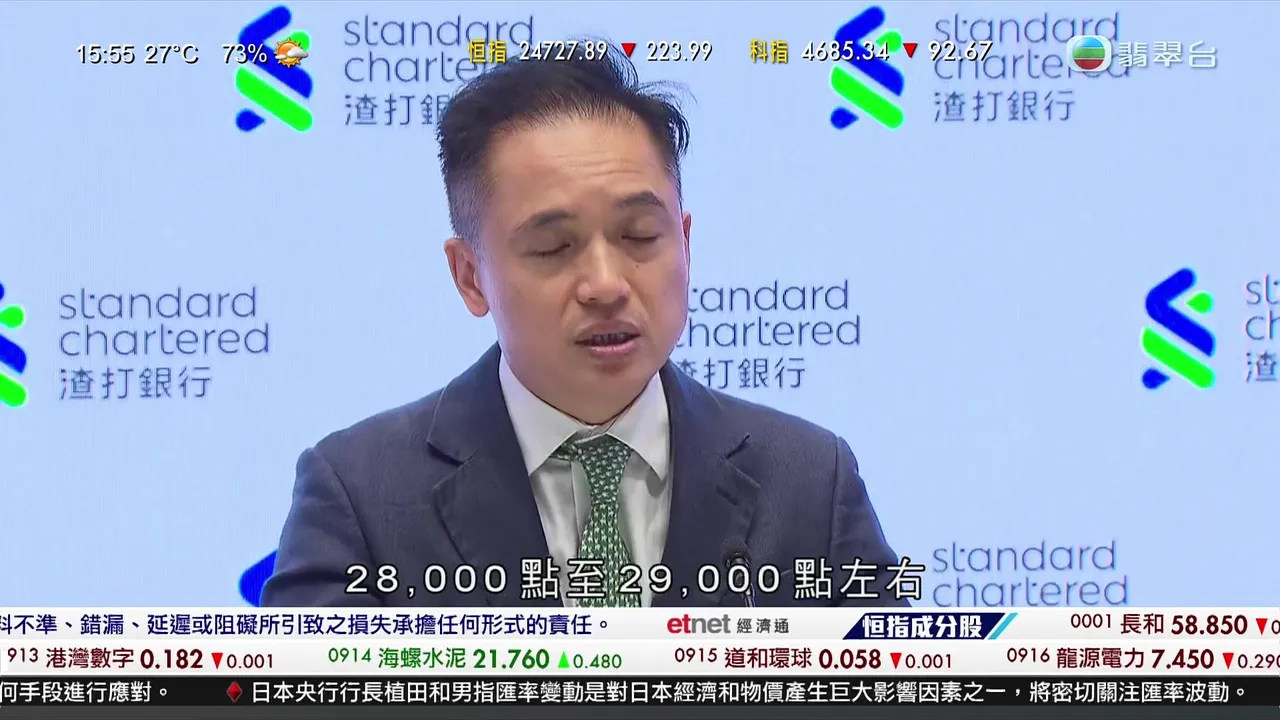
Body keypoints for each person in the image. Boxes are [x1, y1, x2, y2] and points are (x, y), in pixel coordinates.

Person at [261, 42, 907, 608]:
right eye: (554, 247)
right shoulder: (359, 495)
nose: (605, 283)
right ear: (470, 276)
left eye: (639, 235)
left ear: (685, 243)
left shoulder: (810, 482)